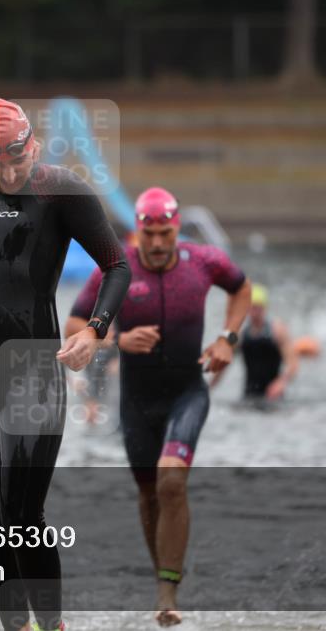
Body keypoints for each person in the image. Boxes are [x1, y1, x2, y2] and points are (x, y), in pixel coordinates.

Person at [0, 87, 131, 631]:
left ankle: (53, 627)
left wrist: (95, 331)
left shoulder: (61, 190)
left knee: (23, 517)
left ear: (34, 146)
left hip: (31, 369)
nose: (7, 173)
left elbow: (117, 267)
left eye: (17, 158)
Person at [66, 186, 251, 627]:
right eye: (148, 235)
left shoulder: (204, 262)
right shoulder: (117, 270)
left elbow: (241, 290)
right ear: (137, 232)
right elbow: (74, 323)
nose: (155, 244)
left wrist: (228, 338)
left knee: (171, 480)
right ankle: (163, 578)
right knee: (150, 492)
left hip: (188, 390)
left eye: (164, 234)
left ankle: (168, 595)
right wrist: (115, 340)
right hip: (135, 399)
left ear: (175, 229)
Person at [211, 284, 298, 402]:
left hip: (274, 397)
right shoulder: (238, 334)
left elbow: (293, 364)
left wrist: (281, 382)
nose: (254, 312)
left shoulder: (278, 331)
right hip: (249, 396)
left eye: (257, 308)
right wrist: (209, 387)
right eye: (251, 308)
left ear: (264, 308)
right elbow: (223, 364)